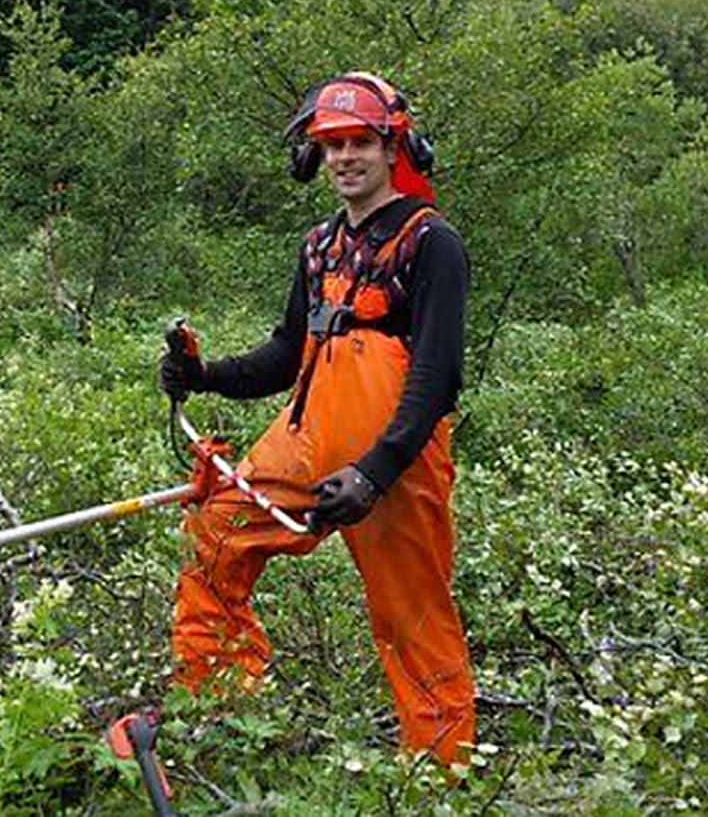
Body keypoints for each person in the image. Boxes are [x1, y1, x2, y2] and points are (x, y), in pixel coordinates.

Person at [161, 72, 476, 765]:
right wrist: (204, 373)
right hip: (305, 446)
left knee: (413, 621)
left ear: (394, 148)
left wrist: (375, 470)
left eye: (360, 141)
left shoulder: (431, 243)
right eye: (331, 144)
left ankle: (441, 774)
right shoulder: (317, 246)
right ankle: (219, 714)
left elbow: (437, 377)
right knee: (216, 535)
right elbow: (284, 355)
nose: (344, 157)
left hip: (396, 464)